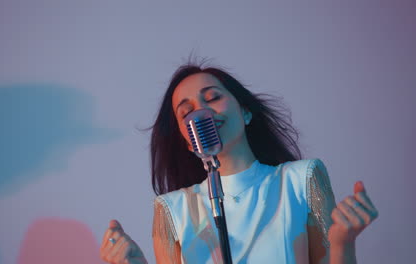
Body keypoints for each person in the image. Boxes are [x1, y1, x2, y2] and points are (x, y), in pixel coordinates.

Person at [99, 62, 378, 264]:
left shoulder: (302, 179)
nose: (202, 112)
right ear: (187, 141)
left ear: (245, 111)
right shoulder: (171, 210)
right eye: (187, 113)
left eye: (213, 98)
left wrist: (343, 242)